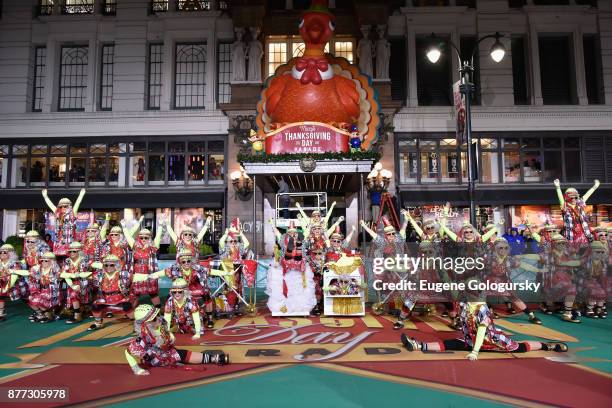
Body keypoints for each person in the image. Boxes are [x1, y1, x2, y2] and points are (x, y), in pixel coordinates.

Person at [400, 302, 567, 360]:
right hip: (469, 339)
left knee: (520, 347)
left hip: (491, 340)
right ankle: (417, 345)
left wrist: (474, 352)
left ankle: (547, 346)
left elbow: (481, 332)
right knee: (448, 343)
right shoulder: (464, 303)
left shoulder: (482, 308)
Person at [125, 304, 228, 376]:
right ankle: (212, 359)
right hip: (155, 360)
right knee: (182, 355)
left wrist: (170, 335)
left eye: (157, 315)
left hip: (168, 351)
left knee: (181, 354)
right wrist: (137, 369)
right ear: (145, 323)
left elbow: (167, 334)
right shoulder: (142, 338)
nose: (158, 318)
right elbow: (128, 352)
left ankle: (213, 358)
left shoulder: (161, 322)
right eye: (154, 318)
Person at [267, 219, 316, 316]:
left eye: (294, 233)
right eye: (290, 233)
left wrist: (307, 262)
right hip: (286, 268)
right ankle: (284, 307)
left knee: (300, 288)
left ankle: (300, 308)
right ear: (287, 234)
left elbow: (304, 251)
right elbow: (277, 233)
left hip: (298, 269)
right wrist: (272, 224)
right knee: (285, 287)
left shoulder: (301, 242)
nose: (293, 235)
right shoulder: (283, 240)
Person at [124, 222, 164, 309]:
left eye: (146, 237)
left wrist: (160, 226)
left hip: (148, 270)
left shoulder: (152, 246)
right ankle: (131, 311)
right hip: (137, 270)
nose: (144, 239)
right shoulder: (134, 245)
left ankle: (158, 309)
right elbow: (127, 237)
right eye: (141, 237)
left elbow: (158, 237)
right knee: (135, 292)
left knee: (153, 292)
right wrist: (124, 227)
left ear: (149, 237)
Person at [88, 254, 133, 331]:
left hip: (119, 299)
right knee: (95, 305)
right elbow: (89, 276)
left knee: (127, 306)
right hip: (105, 300)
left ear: (117, 265)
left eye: (111, 265)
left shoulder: (123, 274)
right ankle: (98, 323)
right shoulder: (99, 275)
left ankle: (136, 323)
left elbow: (132, 282)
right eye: (106, 265)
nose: (108, 267)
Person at [41, 188, 86, 257]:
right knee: (59, 260)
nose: (63, 208)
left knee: (70, 259)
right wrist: (45, 196)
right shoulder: (57, 214)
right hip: (59, 243)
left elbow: (78, 203)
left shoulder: (72, 213)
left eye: (65, 206)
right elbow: (51, 205)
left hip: (70, 242)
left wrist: (81, 195)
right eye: (61, 206)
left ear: (69, 206)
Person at [553, 178, 599, 244]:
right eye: (571, 197)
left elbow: (587, 195)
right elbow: (560, 198)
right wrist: (557, 187)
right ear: (567, 197)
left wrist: (595, 187)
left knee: (585, 248)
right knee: (572, 250)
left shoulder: (580, 203)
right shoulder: (565, 206)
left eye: (576, 197)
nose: (574, 199)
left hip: (583, 231)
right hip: (571, 233)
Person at [60, 242, 92, 324]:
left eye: (74, 251)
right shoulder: (67, 261)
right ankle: (77, 313)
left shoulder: (83, 260)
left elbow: (84, 274)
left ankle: (79, 313)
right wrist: (71, 283)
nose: (71, 253)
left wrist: (77, 281)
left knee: (77, 296)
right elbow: (63, 273)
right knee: (73, 296)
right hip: (71, 282)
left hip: (83, 282)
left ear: (79, 252)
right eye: (70, 251)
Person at [0, 244, 26, 320]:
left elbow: (14, 278)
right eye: (1, 252)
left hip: (13, 284)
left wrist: (5, 287)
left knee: (28, 299)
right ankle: (1, 312)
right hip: (2, 283)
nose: (2, 254)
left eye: (4, 252)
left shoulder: (15, 263)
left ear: (10, 253)